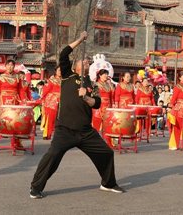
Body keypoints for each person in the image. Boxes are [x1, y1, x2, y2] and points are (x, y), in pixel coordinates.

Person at [30, 31, 123, 198]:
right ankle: (36, 187)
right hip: (65, 129)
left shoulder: (91, 84)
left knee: (107, 153)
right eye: (82, 60)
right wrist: (80, 39)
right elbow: (65, 53)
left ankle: (108, 183)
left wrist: (86, 97)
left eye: (87, 61)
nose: (86, 61)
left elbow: (98, 103)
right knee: (53, 155)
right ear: (75, 66)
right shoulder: (67, 75)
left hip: (85, 131)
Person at [167, 71, 183, 150]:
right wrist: (170, 107)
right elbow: (174, 98)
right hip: (180, 108)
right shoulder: (177, 87)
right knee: (177, 127)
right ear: (180, 78)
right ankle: (174, 144)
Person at [41, 67, 62, 140]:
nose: (60, 72)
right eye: (59, 70)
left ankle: (58, 135)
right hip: (52, 102)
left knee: (60, 119)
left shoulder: (65, 81)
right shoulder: (51, 81)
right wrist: (42, 99)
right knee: (50, 119)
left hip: (62, 101)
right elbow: (45, 91)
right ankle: (47, 134)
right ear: (55, 71)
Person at [92, 69, 114, 137]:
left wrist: (112, 105)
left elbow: (111, 97)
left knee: (108, 126)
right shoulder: (96, 84)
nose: (106, 76)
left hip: (107, 107)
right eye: (104, 74)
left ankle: (109, 143)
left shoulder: (110, 85)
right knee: (96, 126)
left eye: (107, 74)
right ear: (100, 75)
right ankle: (94, 142)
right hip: (98, 107)